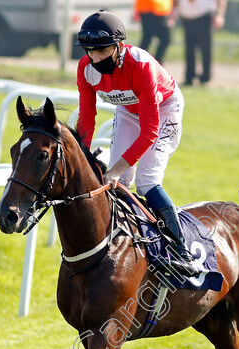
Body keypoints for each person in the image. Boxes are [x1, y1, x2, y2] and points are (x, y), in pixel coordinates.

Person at [75, 10, 199, 276]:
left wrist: (117, 167)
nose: (95, 58)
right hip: (127, 111)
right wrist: (82, 155)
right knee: (121, 181)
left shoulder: (140, 65)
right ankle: (128, 242)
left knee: (146, 179)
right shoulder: (85, 68)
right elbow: (86, 119)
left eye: (101, 51)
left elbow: (150, 131)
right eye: (90, 52)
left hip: (164, 109)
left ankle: (182, 251)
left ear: (118, 45)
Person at [177, 0, 227, 86]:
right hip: (187, 17)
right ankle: (189, 76)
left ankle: (205, 77)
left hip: (204, 15)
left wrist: (219, 14)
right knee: (189, 49)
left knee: (205, 48)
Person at [135, 0, 173, 65]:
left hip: (152, 8)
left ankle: (137, 62)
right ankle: (156, 63)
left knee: (147, 38)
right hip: (154, 8)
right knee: (166, 38)